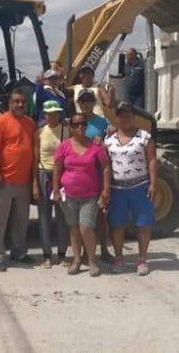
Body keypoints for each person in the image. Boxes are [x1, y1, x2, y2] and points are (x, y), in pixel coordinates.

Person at [52, 114, 112, 277]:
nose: (80, 127)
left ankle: (92, 261)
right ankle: (77, 260)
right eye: (76, 124)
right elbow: (57, 169)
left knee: (86, 227)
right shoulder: (64, 146)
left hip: (90, 195)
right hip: (69, 195)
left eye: (83, 124)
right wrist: (56, 190)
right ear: (71, 127)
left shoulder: (96, 146)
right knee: (74, 228)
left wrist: (106, 189)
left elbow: (106, 167)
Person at [0, 89, 37, 272]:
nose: (20, 105)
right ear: (9, 103)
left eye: (23, 101)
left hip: (23, 181)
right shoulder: (0, 122)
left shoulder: (30, 124)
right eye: (16, 101)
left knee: (21, 220)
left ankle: (19, 252)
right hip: (4, 180)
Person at [104, 102, 157, 276]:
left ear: (133, 117)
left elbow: (151, 160)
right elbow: (106, 166)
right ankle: (119, 258)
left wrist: (153, 183)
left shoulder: (144, 137)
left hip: (139, 187)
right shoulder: (109, 140)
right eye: (121, 115)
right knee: (117, 224)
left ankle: (142, 259)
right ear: (116, 118)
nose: (124, 118)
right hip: (117, 188)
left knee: (143, 224)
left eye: (128, 115)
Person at [75, 88, 114, 263]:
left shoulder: (103, 122)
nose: (86, 104)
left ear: (93, 102)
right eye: (82, 101)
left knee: (100, 215)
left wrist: (105, 138)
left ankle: (104, 249)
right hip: (81, 174)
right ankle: (85, 252)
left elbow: (112, 140)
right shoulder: (74, 122)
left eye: (89, 100)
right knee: (83, 217)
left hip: (99, 172)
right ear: (79, 103)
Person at [34, 100, 69, 268]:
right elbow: (35, 159)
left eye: (56, 113)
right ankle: (47, 255)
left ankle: (62, 254)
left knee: (62, 216)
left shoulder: (66, 130)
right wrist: (34, 182)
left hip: (62, 175)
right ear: (45, 115)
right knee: (44, 216)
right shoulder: (39, 132)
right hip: (43, 174)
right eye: (50, 113)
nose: (54, 116)